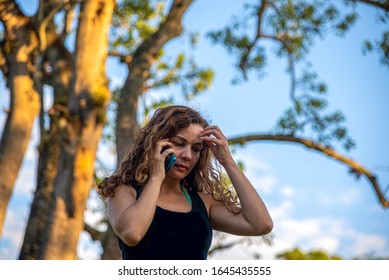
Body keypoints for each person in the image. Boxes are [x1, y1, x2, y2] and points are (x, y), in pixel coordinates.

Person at [98, 105, 273, 260]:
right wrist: (156, 178)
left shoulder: (203, 203)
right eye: (179, 143)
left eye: (196, 149)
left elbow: (261, 224)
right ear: (155, 142)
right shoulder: (123, 190)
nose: (188, 155)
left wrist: (228, 162)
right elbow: (132, 233)